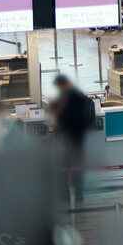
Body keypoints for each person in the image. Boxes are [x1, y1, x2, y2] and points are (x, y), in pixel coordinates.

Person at [49, 74, 96, 203]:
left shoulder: (72, 97)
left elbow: (72, 118)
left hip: (71, 139)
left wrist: (59, 123)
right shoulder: (75, 95)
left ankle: (67, 196)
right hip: (77, 139)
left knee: (66, 168)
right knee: (76, 169)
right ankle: (77, 196)